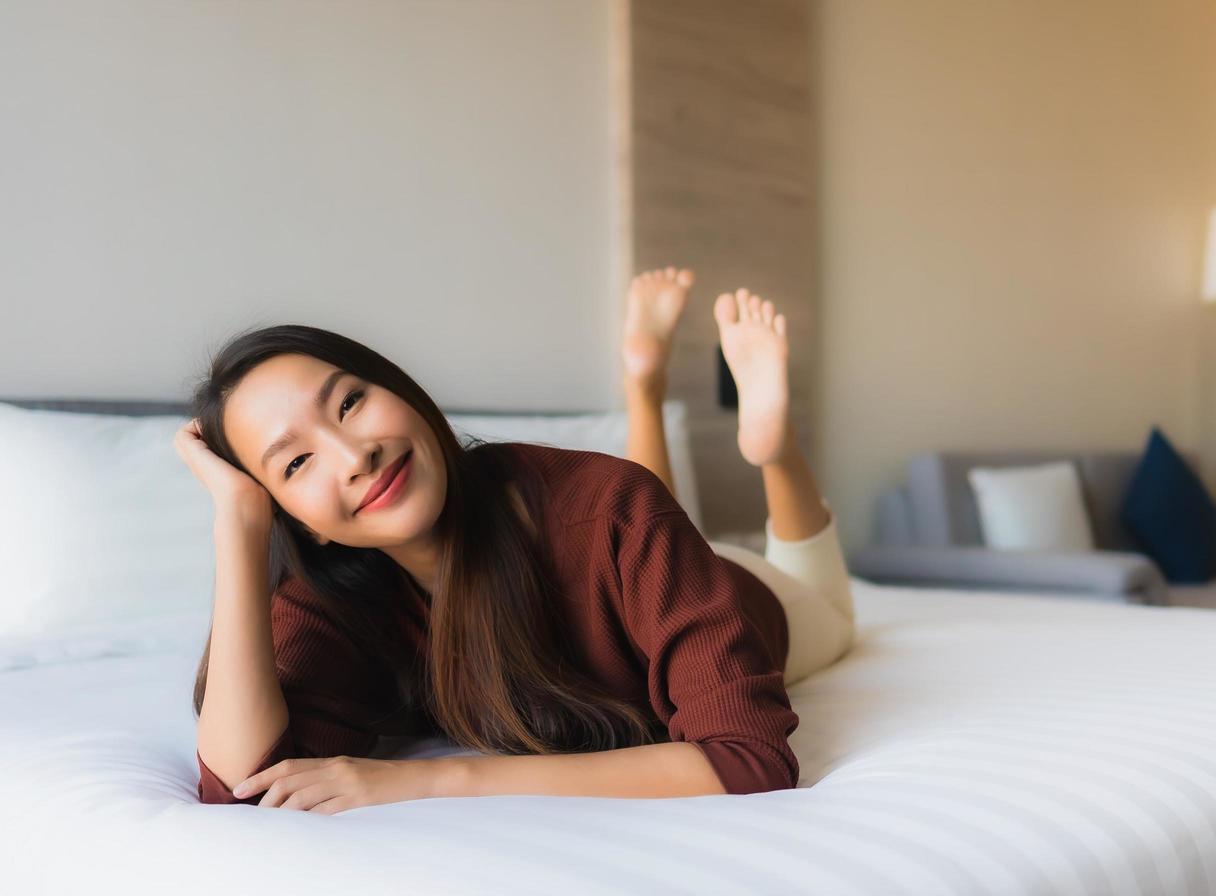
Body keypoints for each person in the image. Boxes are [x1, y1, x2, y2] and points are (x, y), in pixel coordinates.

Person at [179, 268, 856, 812]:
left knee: (825, 600)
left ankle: (771, 448)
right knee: (643, 522)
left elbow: (751, 760)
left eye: (350, 402)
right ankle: (646, 386)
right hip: (648, 563)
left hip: (755, 598)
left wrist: (434, 782)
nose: (354, 455)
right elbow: (241, 781)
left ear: (402, 391)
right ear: (291, 517)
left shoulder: (608, 504)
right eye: (295, 464)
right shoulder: (335, 589)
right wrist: (239, 529)